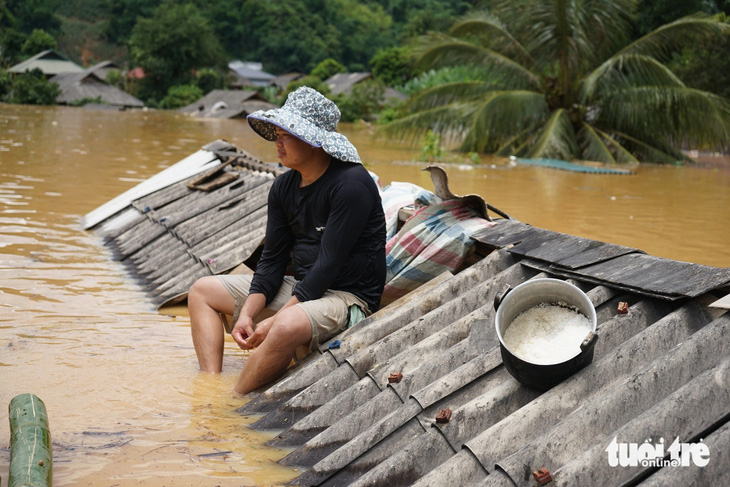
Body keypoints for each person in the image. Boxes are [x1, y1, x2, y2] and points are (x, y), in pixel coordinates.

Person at [188, 86, 386, 394]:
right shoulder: (282, 187)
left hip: (346, 297)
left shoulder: (351, 185)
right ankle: (209, 387)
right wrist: (248, 315)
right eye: (277, 135)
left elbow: (328, 266)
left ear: (313, 140)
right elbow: (272, 262)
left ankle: (233, 402)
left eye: (287, 136)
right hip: (305, 288)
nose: (277, 144)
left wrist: (274, 320)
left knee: (285, 324)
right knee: (201, 291)